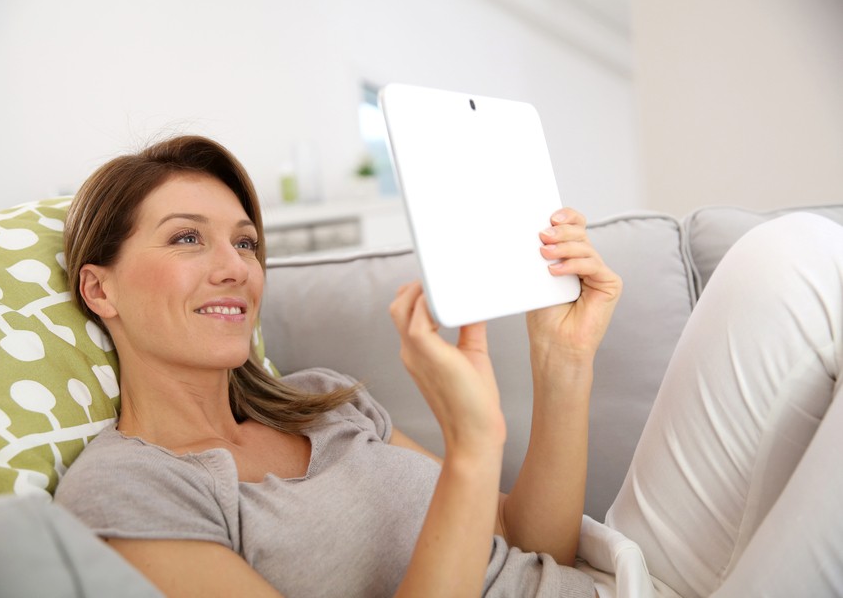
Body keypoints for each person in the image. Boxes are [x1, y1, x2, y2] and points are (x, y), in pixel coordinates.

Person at [54, 135, 843, 598]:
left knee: (792, 256)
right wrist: (472, 445)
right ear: (100, 286)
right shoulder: (126, 485)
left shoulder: (319, 399)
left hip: (623, 577)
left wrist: (562, 361)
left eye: (247, 242)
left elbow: (536, 545)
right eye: (188, 238)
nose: (234, 267)